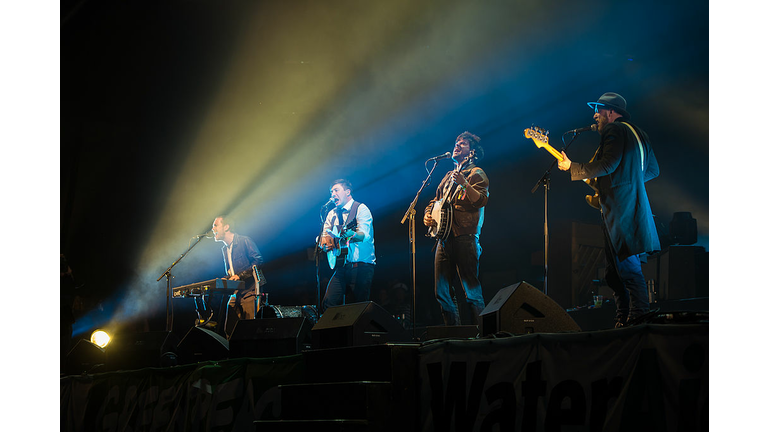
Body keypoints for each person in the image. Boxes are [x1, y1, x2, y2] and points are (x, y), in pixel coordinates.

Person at [557, 92, 660, 327]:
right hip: (631, 205)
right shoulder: (639, 134)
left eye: (599, 110)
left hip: (620, 208)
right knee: (614, 272)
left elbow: (608, 164)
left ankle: (636, 314)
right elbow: (653, 171)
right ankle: (623, 316)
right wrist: (629, 183)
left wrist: (572, 167)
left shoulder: (614, 130)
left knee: (626, 265)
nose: (595, 115)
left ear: (611, 113)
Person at [424, 131, 489, 326]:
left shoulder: (476, 173)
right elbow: (436, 201)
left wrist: (465, 183)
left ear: (472, 152)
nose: (457, 146)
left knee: (471, 290)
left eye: (463, 144)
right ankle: (454, 332)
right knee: (442, 291)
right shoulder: (447, 176)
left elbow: (481, 200)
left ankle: (483, 336)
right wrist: (427, 214)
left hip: (465, 238)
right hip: (444, 239)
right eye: (456, 143)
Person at [319, 179, 376, 313]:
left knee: (357, 309)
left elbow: (364, 235)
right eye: (331, 192)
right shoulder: (331, 213)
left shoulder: (361, 209)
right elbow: (323, 237)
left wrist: (350, 235)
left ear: (348, 191)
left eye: (336, 190)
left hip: (361, 266)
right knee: (328, 303)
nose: (333, 194)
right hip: (341, 266)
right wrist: (325, 245)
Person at [211, 215, 265, 335]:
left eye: (215, 225)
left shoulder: (244, 240)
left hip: (250, 291)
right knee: (230, 329)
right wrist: (224, 279)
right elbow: (232, 273)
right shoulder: (225, 249)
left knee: (251, 328)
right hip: (237, 292)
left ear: (226, 227)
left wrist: (240, 276)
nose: (213, 229)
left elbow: (258, 261)